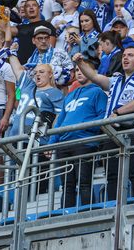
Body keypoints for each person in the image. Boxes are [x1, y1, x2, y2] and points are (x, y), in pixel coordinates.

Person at [73, 44, 134, 200]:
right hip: (112, 132)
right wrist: (80, 63)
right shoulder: (115, 80)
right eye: (124, 55)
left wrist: (117, 113)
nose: (125, 58)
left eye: (130, 55)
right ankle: (112, 208)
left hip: (133, 130)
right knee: (112, 174)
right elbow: (95, 77)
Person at [47, 64, 108, 208]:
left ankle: (88, 214)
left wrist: (87, 129)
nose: (79, 72)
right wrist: (51, 143)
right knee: (67, 185)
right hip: (64, 144)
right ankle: (64, 217)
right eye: (77, 70)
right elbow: (59, 123)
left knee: (84, 182)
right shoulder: (69, 96)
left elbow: (102, 116)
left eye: (83, 69)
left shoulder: (98, 92)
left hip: (84, 142)